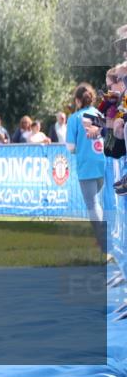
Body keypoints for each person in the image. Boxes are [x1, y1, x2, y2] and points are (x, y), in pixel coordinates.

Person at [66, 83, 108, 253]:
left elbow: (70, 147)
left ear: (77, 100)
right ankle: (105, 239)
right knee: (103, 203)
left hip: (87, 165)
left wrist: (78, 148)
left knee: (93, 204)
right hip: (103, 161)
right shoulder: (99, 114)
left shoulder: (75, 118)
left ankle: (104, 242)